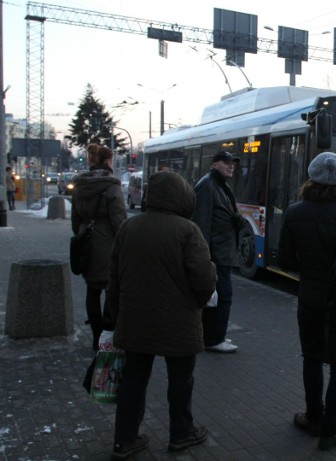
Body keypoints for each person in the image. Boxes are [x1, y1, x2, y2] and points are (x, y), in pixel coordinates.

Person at [107, 171, 217, 459]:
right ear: (182, 196)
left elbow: (115, 278)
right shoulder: (188, 230)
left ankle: (124, 440)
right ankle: (181, 434)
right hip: (179, 323)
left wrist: (115, 315)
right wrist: (198, 301)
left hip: (135, 321)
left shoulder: (129, 228)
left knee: (133, 381)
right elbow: (204, 278)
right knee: (180, 381)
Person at [278, 152, 336, 451]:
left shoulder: (294, 212)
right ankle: (331, 430)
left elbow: (286, 260)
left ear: (311, 176)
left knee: (312, 357)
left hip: (311, 298)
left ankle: (312, 416)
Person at [71, 144, 127, 350]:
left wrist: (83, 235)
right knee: (111, 291)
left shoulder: (80, 186)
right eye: (111, 159)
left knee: (92, 291)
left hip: (87, 243)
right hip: (108, 245)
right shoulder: (111, 187)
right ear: (106, 161)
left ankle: (96, 335)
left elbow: (75, 221)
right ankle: (107, 333)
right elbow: (119, 221)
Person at [192, 151, 245, 353]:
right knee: (222, 296)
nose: (231, 166)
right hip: (216, 253)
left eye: (233, 163)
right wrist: (205, 256)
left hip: (221, 250)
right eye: (226, 162)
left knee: (217, 297)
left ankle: (214, 335)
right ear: (214, 164)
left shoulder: (219, 185)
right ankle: (214, 339)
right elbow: (202, 223)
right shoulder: (208, 186)